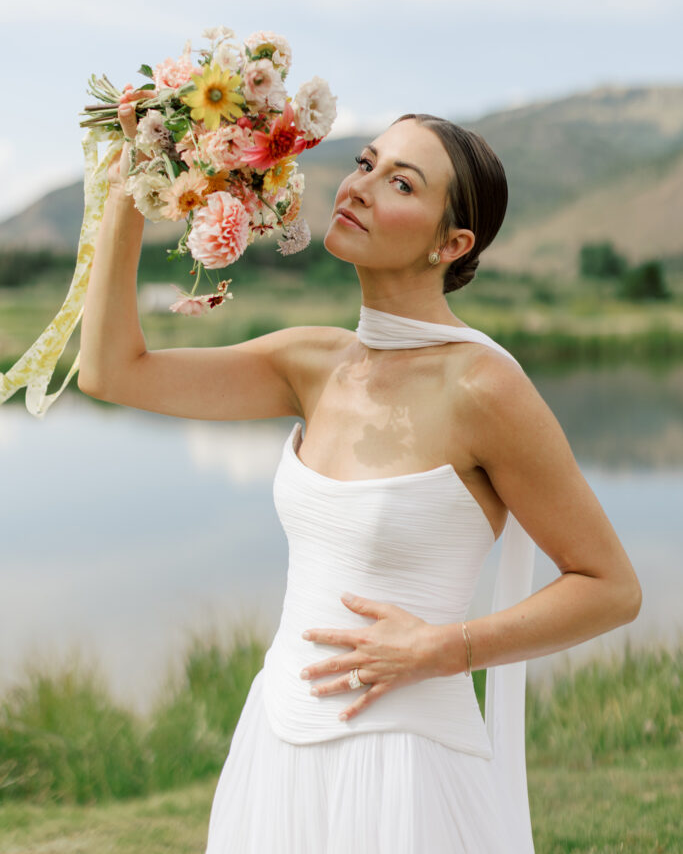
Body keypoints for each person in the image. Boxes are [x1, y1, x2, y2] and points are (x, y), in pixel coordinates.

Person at [78, 103, 642, 853]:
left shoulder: (482, 388)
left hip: (404, 763)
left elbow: (609, 586)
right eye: (365, 164)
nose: (360, 187)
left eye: (401, 183)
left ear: (453, 242)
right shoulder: (310, 362)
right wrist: (131, 191)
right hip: (277, 742)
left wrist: (446, 648)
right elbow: (111, 372)